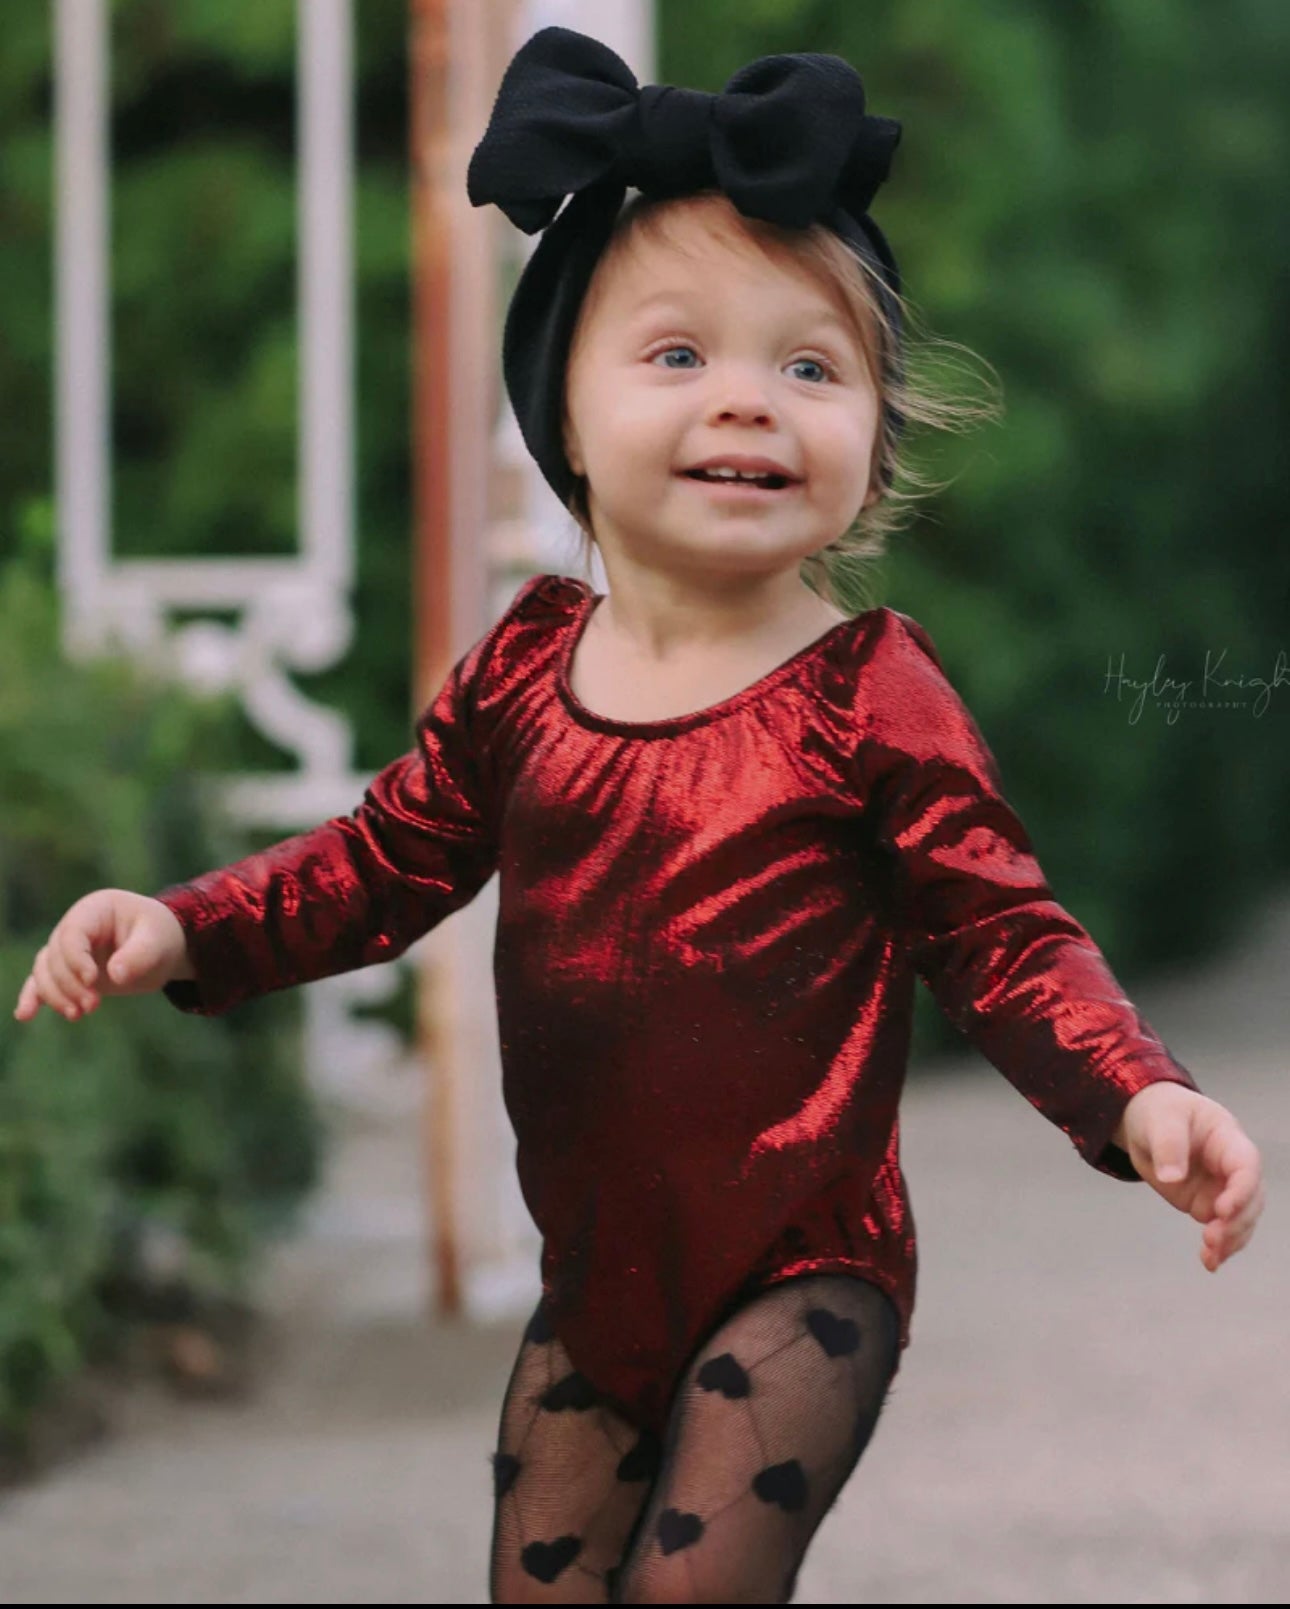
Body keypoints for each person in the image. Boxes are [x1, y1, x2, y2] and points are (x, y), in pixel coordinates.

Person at [14, 27, 1265, 1607]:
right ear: (566, 422)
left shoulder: (866, 689)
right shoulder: (527, 668)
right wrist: (186, 921)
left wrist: (1135, 1093)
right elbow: (378, 861)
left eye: (808, 366)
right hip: (592, 1288)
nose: (747, 401)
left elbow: (997, 930)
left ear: (872, 431)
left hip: (805, 1270)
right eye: (676, 355)